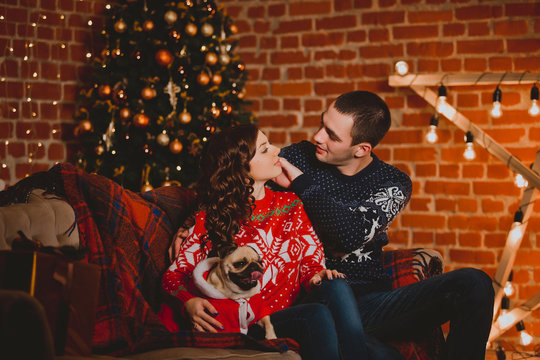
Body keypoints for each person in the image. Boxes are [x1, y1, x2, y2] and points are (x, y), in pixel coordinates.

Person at [273, 90, 495, 360]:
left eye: (332, 135)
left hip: (370, 303)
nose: (318, 136)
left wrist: (301, 183)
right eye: (322, 124)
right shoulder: (298, 157)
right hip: (314, 299)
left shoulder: (391, 182)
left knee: (474, 284)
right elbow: (238, 192)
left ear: (361, 149)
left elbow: (351, 234)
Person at [161, 124, 369, 360]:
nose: (277, 150)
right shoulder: (209, 217)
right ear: (240, 167)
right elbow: (174, 275)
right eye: (264, 149)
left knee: (337, 285)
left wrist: (317, 275)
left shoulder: (291, 205)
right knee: (318, 315)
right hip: (241, 320)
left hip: (283, 316)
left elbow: (310, 263)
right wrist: (187, 303)